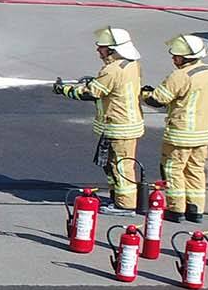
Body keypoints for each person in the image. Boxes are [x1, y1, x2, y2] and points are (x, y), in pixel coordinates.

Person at [53, 26, 144, 215]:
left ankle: (125, 205)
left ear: (112, 49)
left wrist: (65, 90)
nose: (98, 50)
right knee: (113, 164)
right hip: (122, 124)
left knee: (121, 165)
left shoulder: (111, 70)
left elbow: (90, 93)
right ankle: (117, 198)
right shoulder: (129, 64)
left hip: (120, 126)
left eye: (101, 47)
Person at [142, 34, 208, 223]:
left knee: (173, 170)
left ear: (184, 58)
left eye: (175, 56)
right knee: (195, 170)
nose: (173, 59)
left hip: (180, 134)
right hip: (203, 134)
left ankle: (176, 209)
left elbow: (158, 99)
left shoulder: (180, 75)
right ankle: (195, 210)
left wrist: (144, 93)